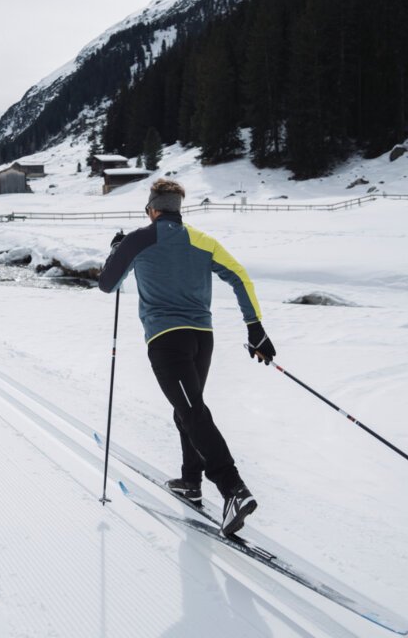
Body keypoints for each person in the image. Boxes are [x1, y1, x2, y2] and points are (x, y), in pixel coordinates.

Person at [98, 178, 276, 536]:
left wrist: (117, 251)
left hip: (166, 340)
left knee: (193, 411)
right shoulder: (203, 241)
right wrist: (255, 327)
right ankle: (190, 480)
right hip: (201, 339)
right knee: (189, 409)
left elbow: (107, 284)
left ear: (152, 208)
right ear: (178, 208)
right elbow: (240, 277)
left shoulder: (139, 239)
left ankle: (233, 490)